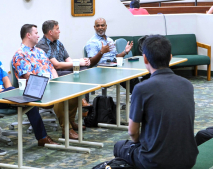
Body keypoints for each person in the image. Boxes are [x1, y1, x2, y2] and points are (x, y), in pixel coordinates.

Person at [113, 35, 198, 169]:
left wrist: (138, 143)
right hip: (188, 159)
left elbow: (132, 132)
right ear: (170, 57)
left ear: (145, 58)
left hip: (155, 162)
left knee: (119, 146)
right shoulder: (187, 84)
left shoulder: (141, 89)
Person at [0, 35, 58, 146]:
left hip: (3, 94)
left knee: (29, 102)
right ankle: (42, 137)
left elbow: (6, 79)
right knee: (28, 100)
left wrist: (9, 91)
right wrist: (7, 93)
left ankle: (42, 138)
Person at [13, 24, 83, 140]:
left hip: (50, 85)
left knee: (75, 91)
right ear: (28, 35)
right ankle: (67, 129)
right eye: (36, 33)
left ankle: (70, 121)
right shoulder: (19, 54)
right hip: (35, 89)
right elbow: (28, 76)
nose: (38, 35)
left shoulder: (40, 51)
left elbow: (51, 68)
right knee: (60, 97)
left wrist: (56, 82)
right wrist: (48, 84)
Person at [36, 20, 91, 108]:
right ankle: (81, 102)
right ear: (50, 32)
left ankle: (84, 104)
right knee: (77, 75)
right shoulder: (42, 45)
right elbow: (56, 65)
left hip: (63, 69)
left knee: (83, 69)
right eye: (57, 29)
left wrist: (80, 62)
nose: (59, 31)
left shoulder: (58, 43)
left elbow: (68, 61)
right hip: (54, 73)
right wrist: (78, 62)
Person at [85, 18, 138, 93]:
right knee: (128, 78)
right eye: (98, 26)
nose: (100, 27)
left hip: (113, 68)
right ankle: (139, 99)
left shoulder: (110, 40)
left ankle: (139, 99)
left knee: (132, 76)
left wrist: (125, 52)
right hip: (101, 71)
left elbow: (115, 57)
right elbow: (91, 62)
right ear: (94, 27)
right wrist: (101, 52)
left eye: (102, 25)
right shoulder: (92, 42)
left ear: (106, 26)